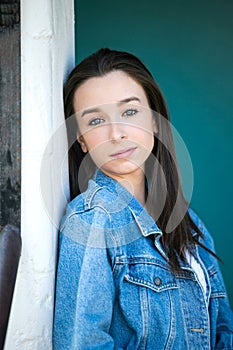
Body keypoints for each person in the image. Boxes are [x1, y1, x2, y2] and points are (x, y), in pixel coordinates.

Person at [53, 48, 233, 349]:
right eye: (95, 121)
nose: (117, 133)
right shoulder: (92, 220)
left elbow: (223, 333)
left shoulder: (191, 226)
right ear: (81, 139)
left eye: (130, 112)